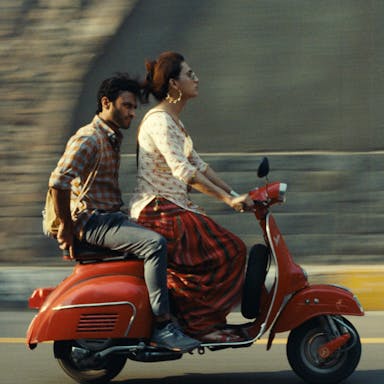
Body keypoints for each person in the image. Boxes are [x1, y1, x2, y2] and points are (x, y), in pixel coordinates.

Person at [48, 72, 200, 353]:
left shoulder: (111, 137)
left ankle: (178, 314)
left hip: (109, 216)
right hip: (93, 220)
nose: (132, 113)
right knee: (154, 244)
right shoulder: (89, 138)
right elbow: (59, 182)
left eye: (134, 107)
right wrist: (67, 229)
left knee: (171, 235)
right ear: (107, 103)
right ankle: (163, 325)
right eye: (127, 106)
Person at [129, 52, 254, 343]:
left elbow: (200, 165)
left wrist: (237, 195)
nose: (196, 78)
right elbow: (184, 171)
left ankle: (192, 317)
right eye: (190, 74)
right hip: (157, 210)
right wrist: (226, 200)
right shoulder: (160, 121)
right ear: (174, 83)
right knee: (230, 250)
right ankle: (199, 324)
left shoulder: (173, 122)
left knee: (225, 251)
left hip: (171, 207)